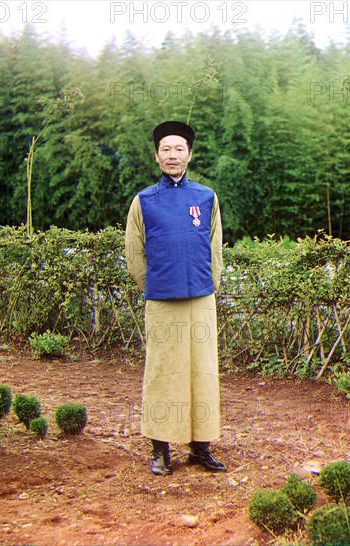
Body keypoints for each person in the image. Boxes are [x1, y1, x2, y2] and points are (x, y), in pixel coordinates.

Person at [125, 120, 226, 476]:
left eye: (178, 149)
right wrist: (154, 286)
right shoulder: (144, 201)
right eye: (165, 149)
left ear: (190, 154)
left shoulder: (206, 197)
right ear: (156, 157)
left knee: (202, 371)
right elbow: (135, 254)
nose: (172, 155)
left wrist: (207, 286)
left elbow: (215, 248)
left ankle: (201, 447)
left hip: (201, 298)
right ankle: (160, 448)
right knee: (164, 372)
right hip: (163, 300)